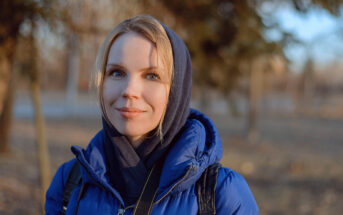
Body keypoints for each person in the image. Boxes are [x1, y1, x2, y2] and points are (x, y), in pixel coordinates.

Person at [45, 15, 259, 215]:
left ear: (177, 90)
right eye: (117, 73)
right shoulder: (70, 182)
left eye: (152, 75)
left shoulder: (221, 193)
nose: (129, 90)